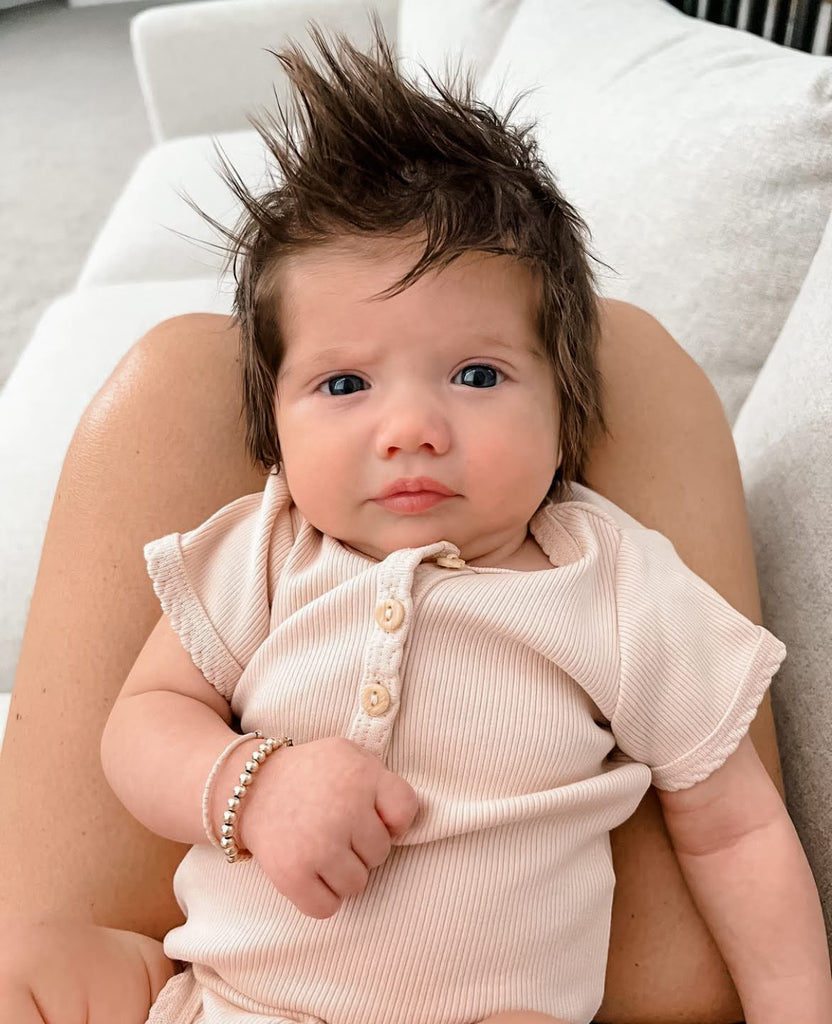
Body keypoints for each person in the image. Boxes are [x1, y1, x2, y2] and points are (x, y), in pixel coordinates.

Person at [0, 26, 824, 1024]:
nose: (410, 431)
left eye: (476, 375)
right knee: (30, 967)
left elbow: (735, 829)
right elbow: (140, 725)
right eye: (343, 384)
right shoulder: (259, 549)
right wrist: (250, 788)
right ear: (274, 426)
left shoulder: (609, 580)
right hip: (229, 999)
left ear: (564, 409)